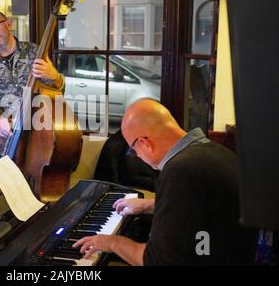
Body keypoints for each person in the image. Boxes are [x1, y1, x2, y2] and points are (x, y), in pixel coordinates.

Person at [73, 98, 257, 265]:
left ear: (145, 144)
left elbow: (156, 261)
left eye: (133, 150)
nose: (136, 155)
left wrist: (112, 242)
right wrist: (150, 204)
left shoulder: (181, 170)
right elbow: (199, 205)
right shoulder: (215, 152)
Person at [0, 11, 65, 161]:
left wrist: (54, 76)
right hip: (4, 144)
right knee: (4, 185)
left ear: (9, 24)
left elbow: (58, 90)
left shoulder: (35, 52)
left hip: (38, 139)